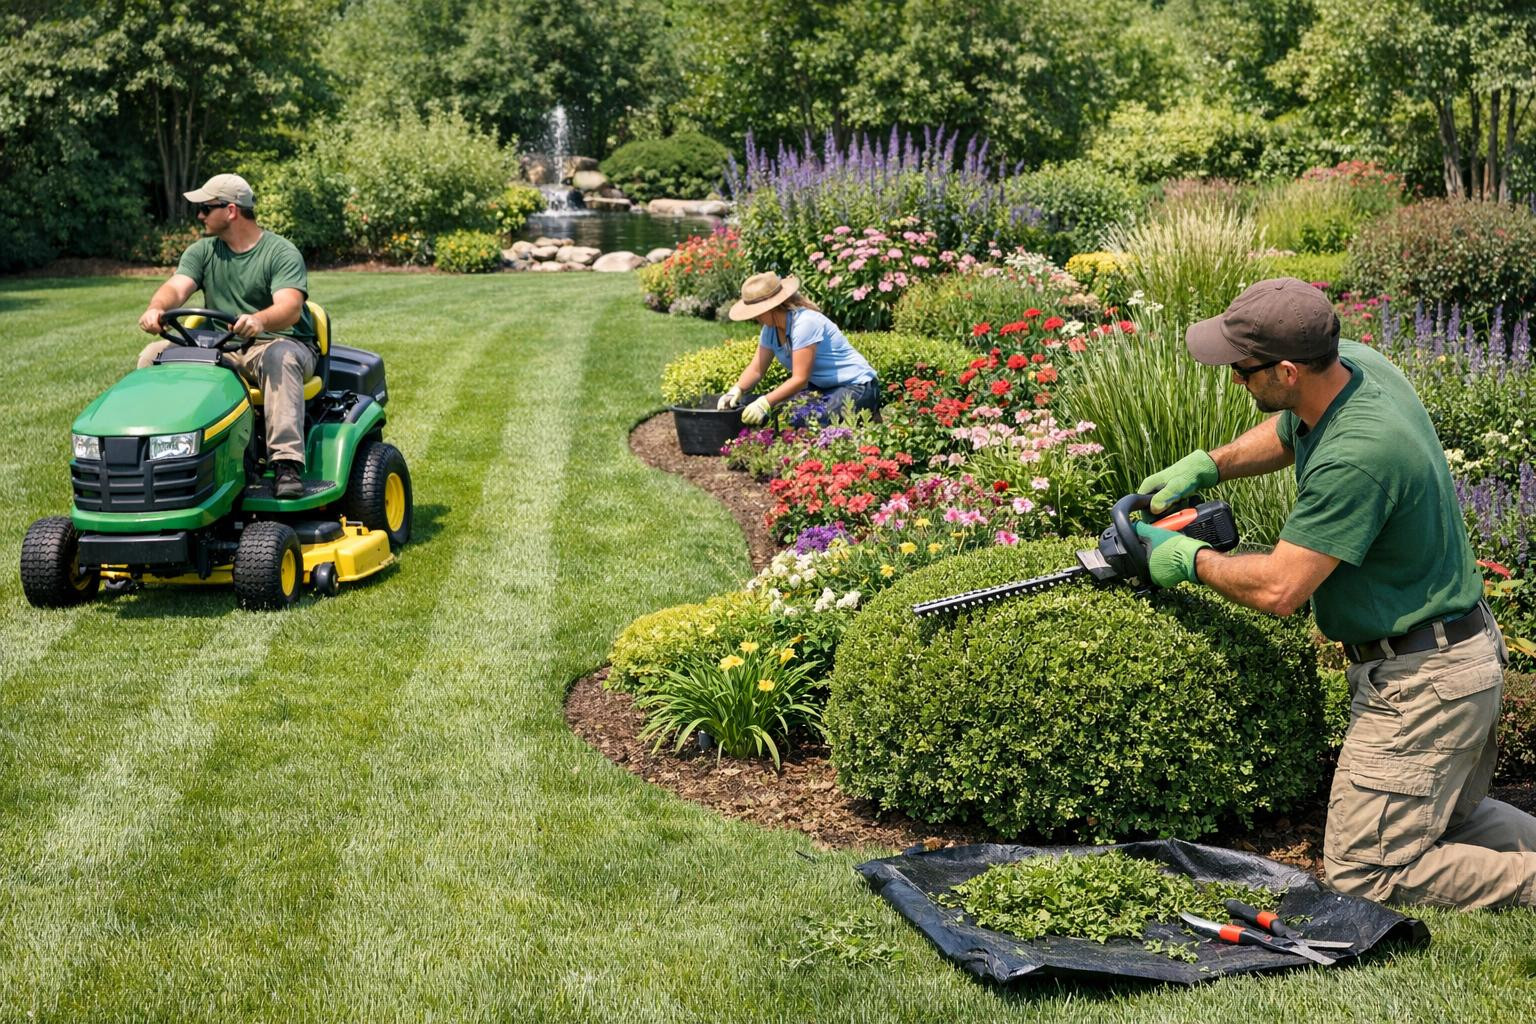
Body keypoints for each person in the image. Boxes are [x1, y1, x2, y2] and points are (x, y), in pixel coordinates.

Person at [1131, 276, 1536, 909]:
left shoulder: (1358, 457)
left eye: (1243, 371)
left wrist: (1191, 559)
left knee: (1366, 877)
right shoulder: (1353, 368)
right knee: (1445, 823)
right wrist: (1211, 463)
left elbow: (1281, 587)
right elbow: (1293, 427)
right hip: (1455, 656)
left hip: (1422, 682)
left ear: (1288, 370)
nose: (1235, 380)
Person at [137, 173, 318, 499]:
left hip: (279, 343)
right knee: (154, 355)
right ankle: (158, 455)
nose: (200, 216)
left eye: (206, 209)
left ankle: (286, 464)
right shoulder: (203, 251)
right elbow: (176, 288)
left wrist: (259, 321)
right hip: (223, 347)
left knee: (280, 358)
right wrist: (156, 308)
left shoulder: (280, 252)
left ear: (231, 210)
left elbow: (290, 307)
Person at [718, 272, 879, 426]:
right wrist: (736, 389)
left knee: (810, 420)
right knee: (782, 414)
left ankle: (870, 414)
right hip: (824, 388)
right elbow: (757, 369)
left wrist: (764, 402)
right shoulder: (770, 330)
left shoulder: (804, 323)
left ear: (771, 307)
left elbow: (800, 379)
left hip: (858, 387)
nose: (754, 317)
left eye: (756, 312)